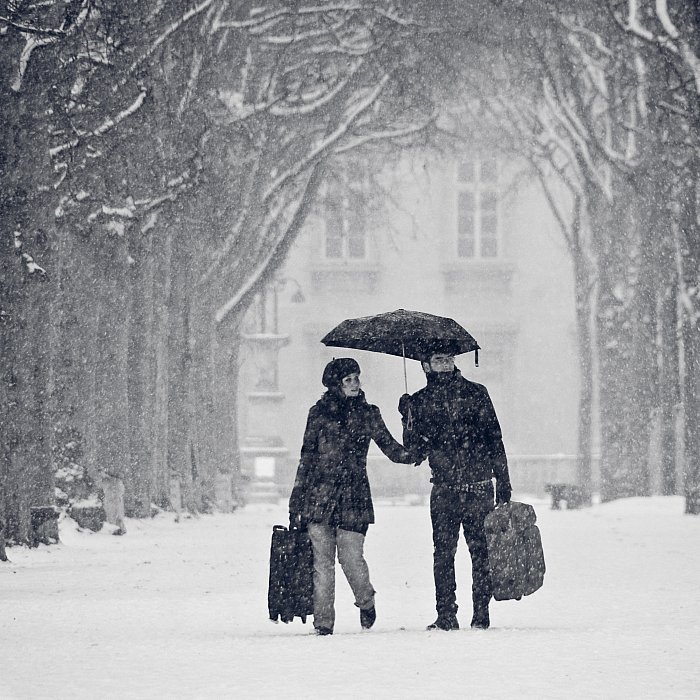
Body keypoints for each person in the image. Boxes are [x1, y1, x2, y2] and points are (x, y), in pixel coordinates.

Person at [289, 357, 415, 636]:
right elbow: (306, 457)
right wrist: (295, 502)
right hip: (318, 498)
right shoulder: (318, 413)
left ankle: (366, 600)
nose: (355, 383)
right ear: (335, 384)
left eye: (357, 378)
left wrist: (414, 439)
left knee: (351, 559)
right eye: (348, 379)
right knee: (322, 565)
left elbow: (392, 449)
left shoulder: (369, 413)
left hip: (353, 497)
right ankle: (323, 623)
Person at [398, 345, 512, 631]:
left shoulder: (477, 393)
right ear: (426, 365)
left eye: (449, 359)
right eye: (439, 360)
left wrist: (504, 479)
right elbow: (415, 453)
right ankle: (446, 614)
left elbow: (494, 438)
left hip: (478, 486)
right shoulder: (420, 402)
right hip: (445, 488)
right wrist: (407, 418)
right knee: (443, 553)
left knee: (481, 552)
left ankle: (481, 613)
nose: (446, 364)